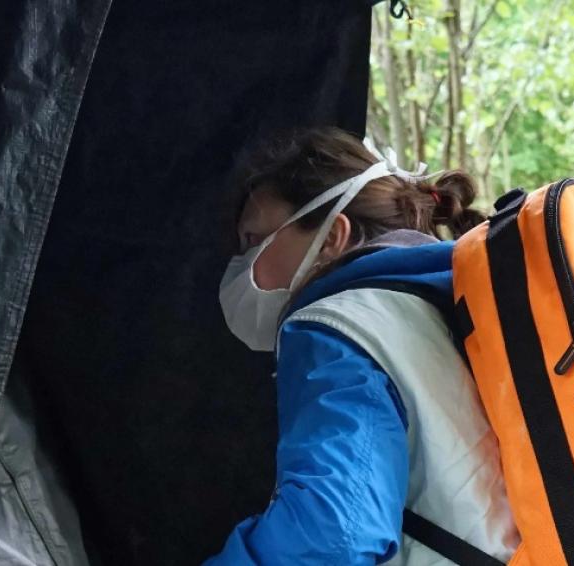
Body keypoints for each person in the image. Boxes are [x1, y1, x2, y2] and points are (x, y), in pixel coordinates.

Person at [208, 128, 518, 565]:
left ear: (332, 235)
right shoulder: (445, 305)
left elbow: (333, 533)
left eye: (253, 242)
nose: (240, 266)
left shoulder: (339, 325)